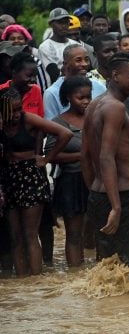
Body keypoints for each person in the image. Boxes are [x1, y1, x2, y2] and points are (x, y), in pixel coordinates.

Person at [81, 53, 129, 266]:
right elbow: (105, 157)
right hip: (122, 198)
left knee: (108, 268)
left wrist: (95, 195)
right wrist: (117, 207)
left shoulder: (95, 104)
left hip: (100, 196)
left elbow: (85, 155)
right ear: (116, 76)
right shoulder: (115, 107)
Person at [1, 88, 72, 275]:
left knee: (30, 235)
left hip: (31, 177)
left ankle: (36, 281)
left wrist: (47, 158)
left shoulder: (29, 119)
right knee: (15, 237)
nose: (16, 115)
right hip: (9, 178)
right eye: (12, 111)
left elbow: (65, 134)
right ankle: (23, 281)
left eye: (19, 109)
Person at [47, 76, 93, 266]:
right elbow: (51, 155)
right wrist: (81, 156)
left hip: (96, 181)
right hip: (70, 182)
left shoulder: (95, 117)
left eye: (88, 97)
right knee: (74, 234)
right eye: (80, 97)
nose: (85, 101)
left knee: (97, 231)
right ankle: (76, 273)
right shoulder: (58, 122)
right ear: (68, 97)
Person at [43, 44, 107, 120]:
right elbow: (51, 124)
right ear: (66, 64)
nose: (84, 64)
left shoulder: (99, 87)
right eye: (78, 60)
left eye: (86, 59)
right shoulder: (52, 93)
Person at [0, 52, 45, 118]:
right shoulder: (1, 92)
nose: (33, 79)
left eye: (34, 76)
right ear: (14, 72)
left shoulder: (36, 90)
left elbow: (41, 118)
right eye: (28, 75)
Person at [38, 8, 76, 82]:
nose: (64, 26)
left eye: (66, 22)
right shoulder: (45, 47)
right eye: (60, 23)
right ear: (51, 24)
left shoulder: (75, 44)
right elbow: (54, 74)